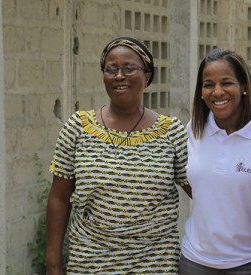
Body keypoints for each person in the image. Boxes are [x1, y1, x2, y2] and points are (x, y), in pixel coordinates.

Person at [46, 36, 188, 274]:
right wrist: (52, 266)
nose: (119, 75)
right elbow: (59, 198)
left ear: (147, 76)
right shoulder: (78, 127)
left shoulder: (171, 131)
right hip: (90, 263)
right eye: (111, 69)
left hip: (156, 264)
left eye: (129, 68)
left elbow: (201, 190)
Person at [178, 48, 251, 274]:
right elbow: (194, 183)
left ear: (244, 87)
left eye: (226, 83)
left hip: (250, 262)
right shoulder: (195, 129)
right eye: (208, 84)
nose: (217, 92)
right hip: (194, 261)